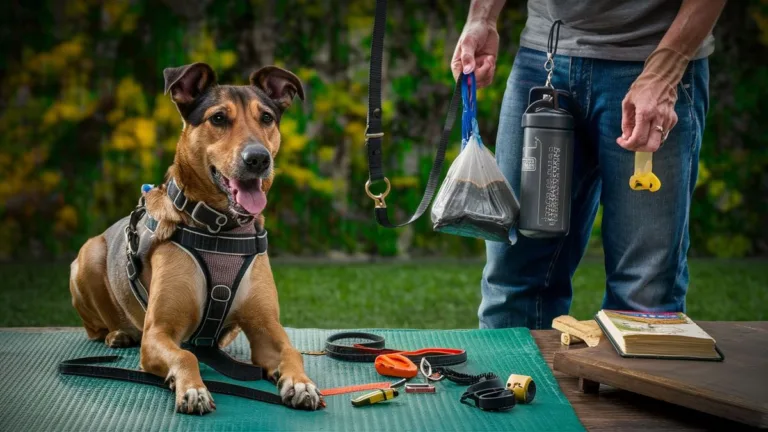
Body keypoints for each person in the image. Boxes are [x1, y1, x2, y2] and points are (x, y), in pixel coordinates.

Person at [451, 0, 727, 329]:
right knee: (512, 279)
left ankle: (631, 383)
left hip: (653, 62)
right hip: (544, 60)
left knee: (645, 294)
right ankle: (512, 381)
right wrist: (482, 18)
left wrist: (664, 71)